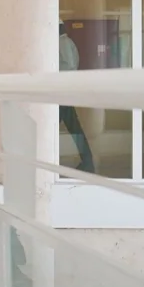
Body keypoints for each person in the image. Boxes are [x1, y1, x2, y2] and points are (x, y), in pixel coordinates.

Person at [58, 22, 95, 173]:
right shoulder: (66, 42)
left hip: (62, 92)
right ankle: (87, 161)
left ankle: (87, 161)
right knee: (74, 129)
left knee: (50, 127)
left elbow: (69, 65)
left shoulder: (62, 42)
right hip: (63, 92)